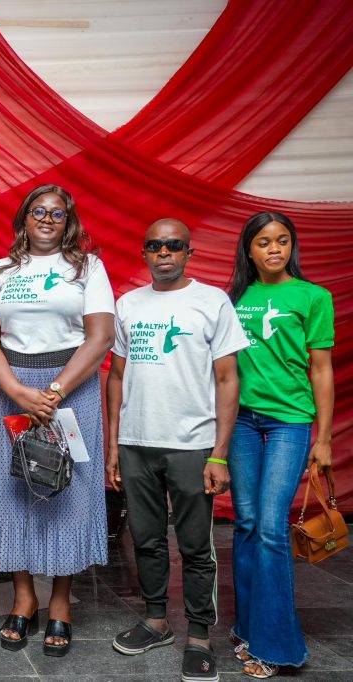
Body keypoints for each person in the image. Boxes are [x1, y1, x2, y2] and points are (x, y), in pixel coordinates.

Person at [106, 219, 247, 682]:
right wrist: (114, 444)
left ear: (189, 252)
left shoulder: (211, 302)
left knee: (195, 546)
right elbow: (117, 377)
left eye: (174, 245)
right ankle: (156, 620)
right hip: (137, 443)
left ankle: (200, 637)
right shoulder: (128, 304)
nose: (164, 252)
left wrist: (219, 453)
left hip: (192, 445)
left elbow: (228, 379)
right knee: (145, 539)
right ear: (144, 253)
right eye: (155, 245)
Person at [0, 184, 114, 657]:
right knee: (17, 490)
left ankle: (61, 603)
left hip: (71, 388)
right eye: (39, 211)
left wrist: (54, 393)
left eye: (57, 213)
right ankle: (23, 597)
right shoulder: (0, 272)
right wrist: (17, 392)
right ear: (23, 218)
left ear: (68, 221)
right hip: (13, 388)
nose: (47, 218)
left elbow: (100, 338)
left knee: (68, 490)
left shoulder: (87, 268)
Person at [226, 211, 334, 679]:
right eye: (264, 242)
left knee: (271, 527)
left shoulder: (313, 297)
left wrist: (324, 437)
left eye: (283, 241)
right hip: (241, 424)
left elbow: (321, 369)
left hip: (289, 422)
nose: (274, 249)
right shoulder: (233, 299)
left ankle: (277, 645)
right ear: (249, 249)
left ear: (292, 246)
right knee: (246, 523)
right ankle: (248, 628)